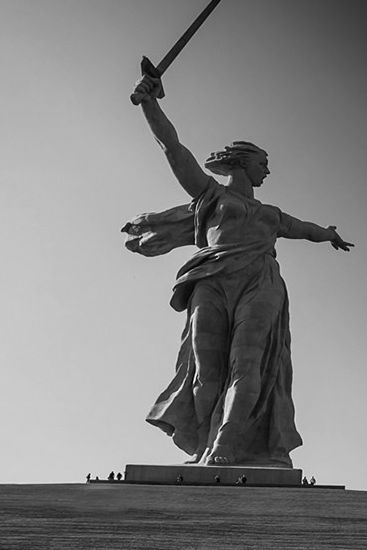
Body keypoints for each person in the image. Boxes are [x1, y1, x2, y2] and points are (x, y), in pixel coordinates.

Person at [126, 73, 353, 469]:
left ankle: (227, 443)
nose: (268, 170)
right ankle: (204, 442)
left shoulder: (271, 214)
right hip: (211, 280)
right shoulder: (209, 194)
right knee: (205, 371)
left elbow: (303, 229)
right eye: (264, 163)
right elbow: (174, 150)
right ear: (245, 163)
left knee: (247, 364)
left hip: (259, 281)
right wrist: (150, 103)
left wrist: (328, 234)